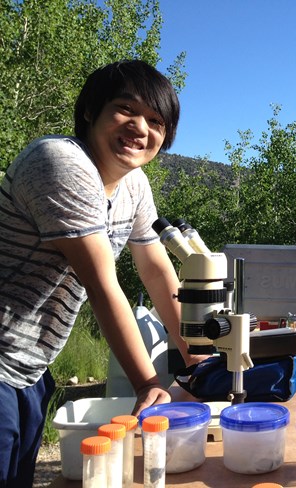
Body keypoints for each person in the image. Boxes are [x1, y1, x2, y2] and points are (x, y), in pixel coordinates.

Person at [0, 60, 200, 486]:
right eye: (125, 110)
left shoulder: (135, 184)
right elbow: (101, 282)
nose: (140, 128)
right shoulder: (59, 162)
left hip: (31, 366)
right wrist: (147, 382)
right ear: (91, 110)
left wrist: (194, 354)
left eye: (155, 120)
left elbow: (156, 268)